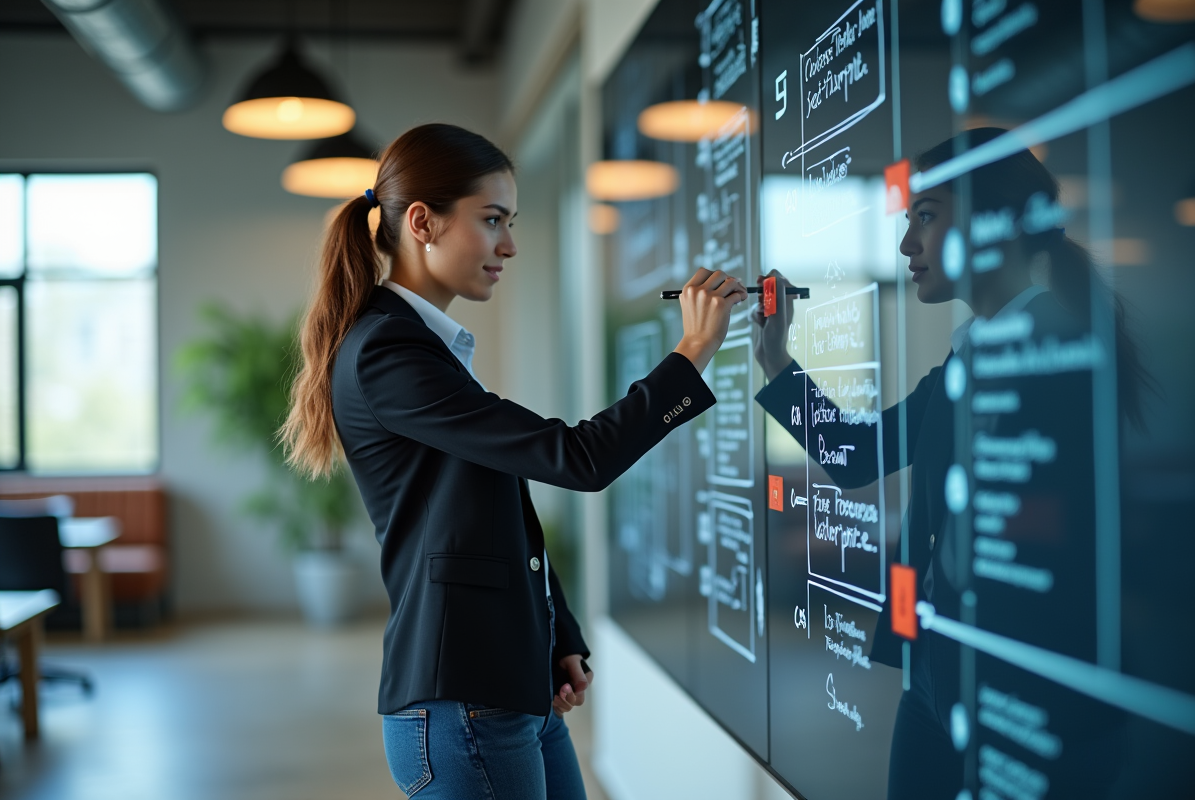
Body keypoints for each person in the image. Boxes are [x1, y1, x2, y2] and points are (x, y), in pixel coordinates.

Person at [280, 123, 747, 799]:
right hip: (462, 707)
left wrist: (557, 632)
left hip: (506, 687)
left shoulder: (421, 347)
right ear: (423, 222)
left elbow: (487, 511)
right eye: (492, 220)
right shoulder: (389, 354)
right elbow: (577, 458)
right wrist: (693, 353)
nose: (509, 245)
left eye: (510, 221)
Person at [752, 128, 1145, 799]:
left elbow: (1065, 542)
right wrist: (776, 361)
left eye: (925, 218)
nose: (906, 245)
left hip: (1026, 689)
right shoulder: (965, 362)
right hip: (937, 675)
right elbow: (856, 456)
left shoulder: (1064, 355)